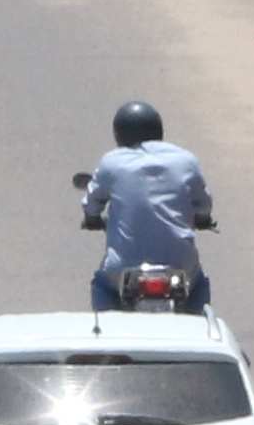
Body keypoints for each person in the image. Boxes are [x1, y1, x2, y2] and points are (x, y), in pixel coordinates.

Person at [78, 98, 221, 313]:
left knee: (102, 285)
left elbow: (91, 203)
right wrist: (202, 218)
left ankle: (106, 335)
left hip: (123, 269)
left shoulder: (112, 162)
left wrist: (92, 219)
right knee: (198, 284)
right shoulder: (186, 160)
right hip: (180, 264)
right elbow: (203, 204)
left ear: (119, 134)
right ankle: (200, 328)